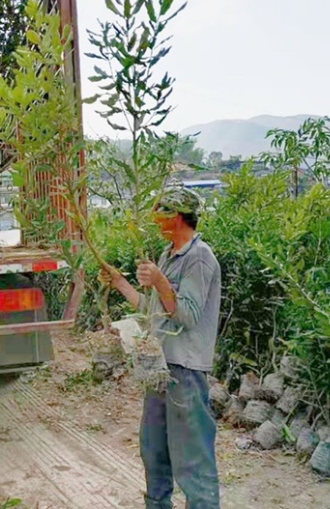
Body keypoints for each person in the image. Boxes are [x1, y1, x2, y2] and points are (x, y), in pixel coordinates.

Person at [100, 185, 221, 509]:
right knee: (154, 451)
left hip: (185, 371)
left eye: (162, 214)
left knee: (192, 459)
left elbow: (189, 316)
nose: (156, 221)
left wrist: (160, 281)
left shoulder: (199, 258)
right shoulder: (169, 255)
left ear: (178, 217)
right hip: (160, 369)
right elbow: (151, 308)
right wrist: (121, 283)